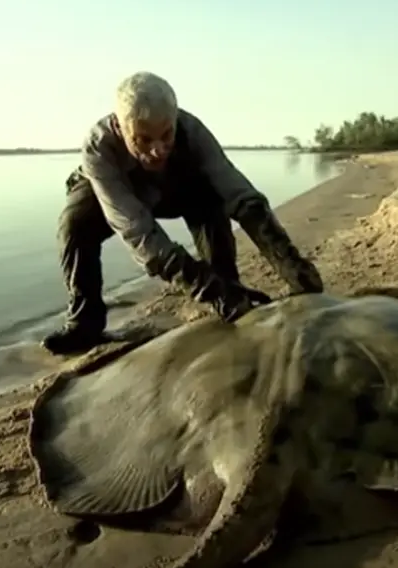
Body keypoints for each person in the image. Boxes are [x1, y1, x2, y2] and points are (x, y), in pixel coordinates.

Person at [42, 71, 324, 355]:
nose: (157, 150)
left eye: (167, 135)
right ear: (119, 126)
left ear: (175, 119)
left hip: (174, 189)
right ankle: (85, 323)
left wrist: (289, 262)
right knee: (73, 224)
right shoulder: (98, 147)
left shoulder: (192, 132)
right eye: (143, 139)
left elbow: (239, 194)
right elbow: (138, 232)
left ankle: (229, 285)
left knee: (211, 195)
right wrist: (203, 285)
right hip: (118, 196)